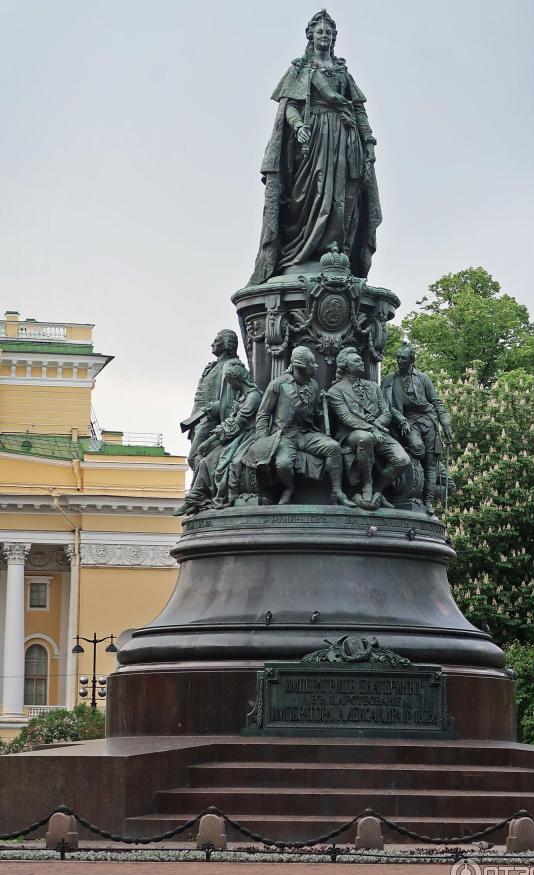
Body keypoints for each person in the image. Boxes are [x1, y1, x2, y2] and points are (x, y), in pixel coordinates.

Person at [249, 10, 381, 285]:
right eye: (320, 31)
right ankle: (300, 253)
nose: (325, 36)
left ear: (334, 38)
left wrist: (368, 141)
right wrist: (298, 126)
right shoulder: (300, 70)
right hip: (313, 138)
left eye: (329, 33)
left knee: (342, 195)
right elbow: (290, 106)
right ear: (310, 35)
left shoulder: (343, 73)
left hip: (344, 139)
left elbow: (358, 110)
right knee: (309, 193)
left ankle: (336, 251)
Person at [245, 346, 354, 506]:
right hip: (284, 436)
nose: (316, 366)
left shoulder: (314, 385)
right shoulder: (278, 384)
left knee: (334, 448)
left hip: (306, 434)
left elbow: (314, 415)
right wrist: (263, 440)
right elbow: (263, 414)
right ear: (301, 365)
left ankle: (337, 491)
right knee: (283, 464)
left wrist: (322, 407)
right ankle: (289, 487)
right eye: (312, 363)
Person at [174, 360, 262, 516]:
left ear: (236, 380)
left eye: (230, 382)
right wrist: (211, 440)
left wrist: (211, 440)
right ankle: (195, 499)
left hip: (247, 435)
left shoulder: (253, 397)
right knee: (205, 461)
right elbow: (232, 421)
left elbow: (238, 422)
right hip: (234, 435)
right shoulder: (241, 396)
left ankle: (225, 497)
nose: (229, 386)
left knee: (226, 463)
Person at [327, 348, 410, 508]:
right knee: (365, 438)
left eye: (361, 359)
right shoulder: (335, 391)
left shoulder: (373, 386)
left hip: (380, 431)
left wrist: (377, 423)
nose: (361, 362)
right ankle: (367, 484)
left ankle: (378, 489)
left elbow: (386, 412)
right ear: (345, 366)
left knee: (403, 460)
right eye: (356, 361)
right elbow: (346, 417)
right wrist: (371, 428)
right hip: (352, 434)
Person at [381, 342, 453, 515]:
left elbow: (436, 402)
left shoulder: (422, 378)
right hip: (408, 422)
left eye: (403, 358)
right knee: (417, 447)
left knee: (431, 463)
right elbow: (386, 406)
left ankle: (427, 501)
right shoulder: (390, 380)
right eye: (398, 357)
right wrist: (400, 419)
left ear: (412, 360)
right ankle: (409, 480)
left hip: (428, 421)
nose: (400, 361)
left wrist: (446, 424)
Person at [180, 330, 239, 473]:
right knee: (198, 458)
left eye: (216, 341)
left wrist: (217, 408)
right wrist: (194, 421)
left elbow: (235, 397)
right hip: (199, 420)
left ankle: (206, 484)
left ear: (227, 344)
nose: (212, 344)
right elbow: (200, 396)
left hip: (214, 420)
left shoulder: (232, 365)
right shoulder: (211, 367)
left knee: (194, 458)